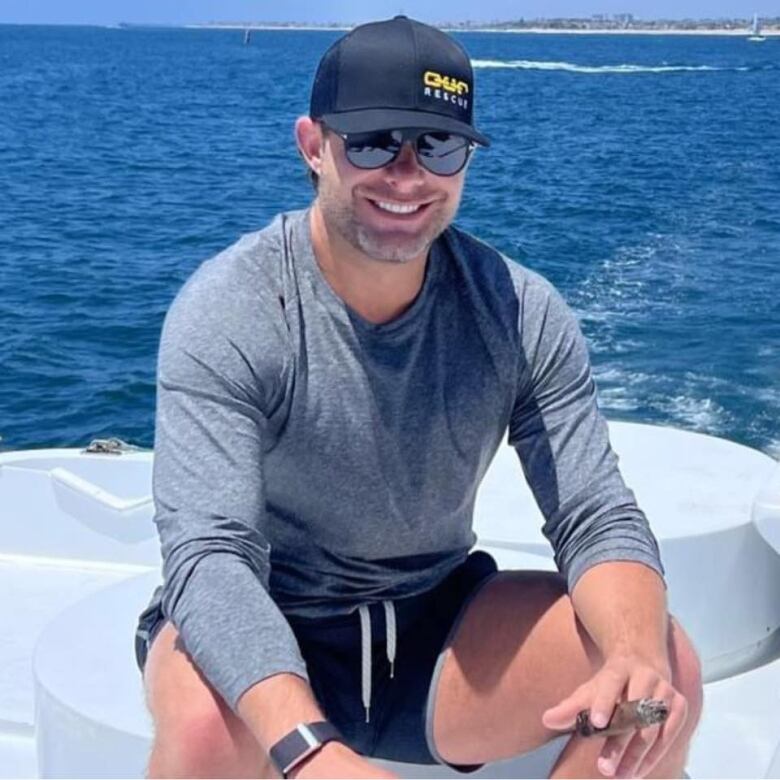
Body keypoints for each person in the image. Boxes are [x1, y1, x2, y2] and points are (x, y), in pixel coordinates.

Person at [134, 15, 702, 780]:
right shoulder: (233, 310)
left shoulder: (519, 311)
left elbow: (594, 512)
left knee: (663, 684)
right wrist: (310, 750)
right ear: (313, 146)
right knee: (204, 731)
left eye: (437, 146)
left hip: (433, 626)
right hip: (266, 613)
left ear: (465, 159)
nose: (406, 176)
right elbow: (211, 556)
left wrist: (633, 656)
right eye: (372, 143)